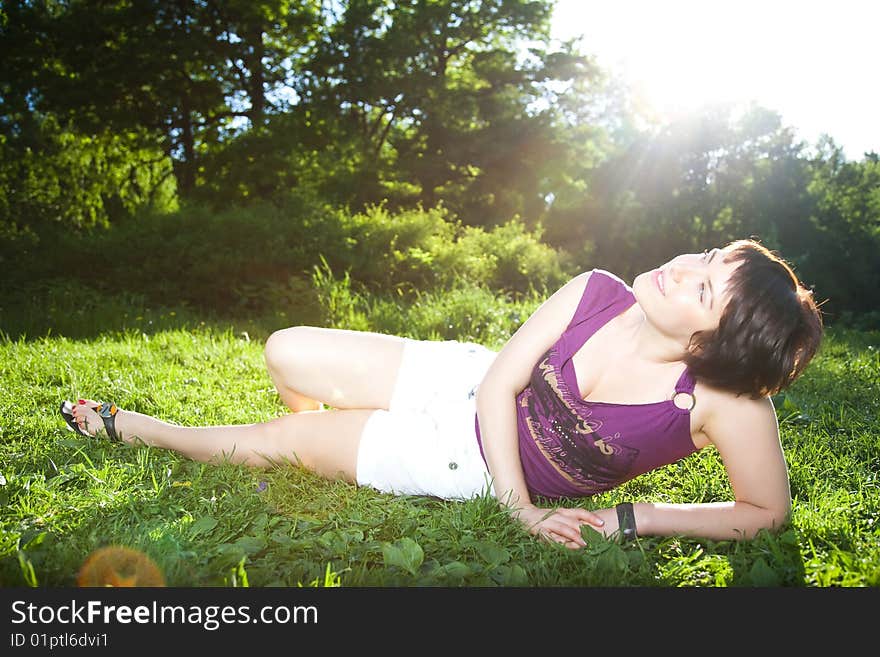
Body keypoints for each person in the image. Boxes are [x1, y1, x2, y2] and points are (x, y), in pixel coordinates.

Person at [60, 238, 823, 549]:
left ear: (709, 343)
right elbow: (500, 378)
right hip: (467, 378)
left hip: (466, 460)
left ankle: (143, 428)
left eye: (703, 286)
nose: (685, 264)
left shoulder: (726, 404)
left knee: (280, 442)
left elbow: (767, 511)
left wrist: (631, 518)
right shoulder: (598, 289)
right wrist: (525, 515)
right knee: (283, 350)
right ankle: (331, 436)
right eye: (710, 254)